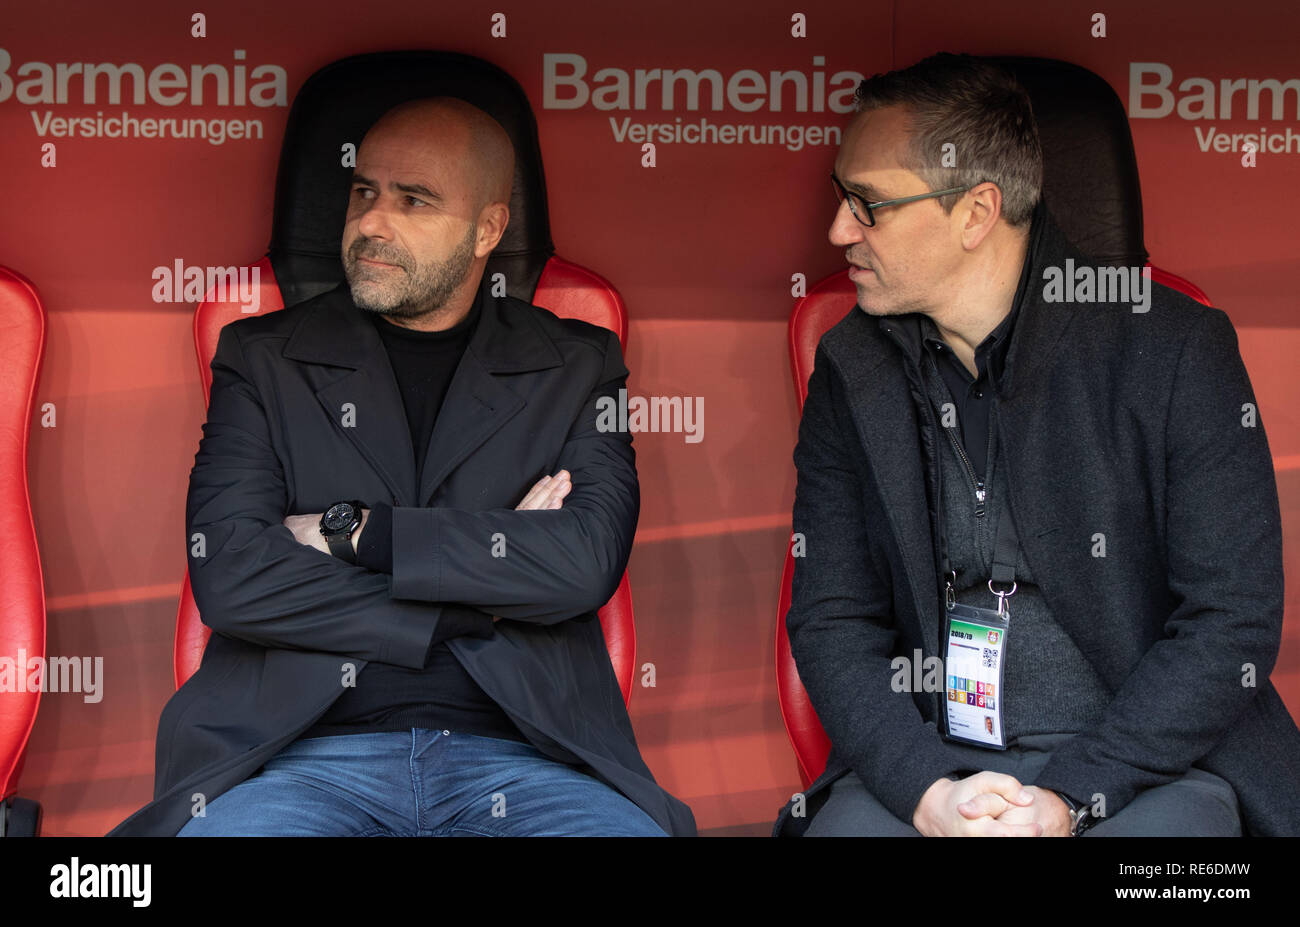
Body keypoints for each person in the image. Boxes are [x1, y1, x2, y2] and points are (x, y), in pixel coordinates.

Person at [109, 97, 694, 837]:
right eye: (364, 192)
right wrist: (475, 599)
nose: (372, 223)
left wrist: (359, 534)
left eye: (413, 200)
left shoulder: (576, 365)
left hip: (528, 758)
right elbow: (231, 576)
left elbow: (582, 562)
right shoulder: (262, 357)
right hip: (297, 759)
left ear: (488, 229)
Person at [772, 53, 1300, 837]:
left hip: (1149, 772)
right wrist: (929, 794)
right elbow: (831, 620)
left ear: (976, 212)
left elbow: (1231, 622)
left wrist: (1070, 796)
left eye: (868, 204)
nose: (839, 229)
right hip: (927, 768)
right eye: (841, 197)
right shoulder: (852, 368)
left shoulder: (1176, 350)